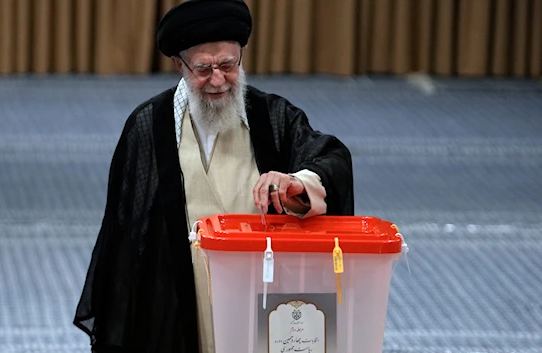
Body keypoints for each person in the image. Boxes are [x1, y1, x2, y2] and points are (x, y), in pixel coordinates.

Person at [73, 0, 354, 352]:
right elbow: (126, 237)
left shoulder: (273, 117)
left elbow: (330, 158)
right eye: (203, 69)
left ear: (242, 56)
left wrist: (299, 182)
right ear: (180, 65)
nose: (218, 80)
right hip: (179, 299)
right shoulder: (148, 126)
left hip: (261, 292)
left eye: (227, 65)